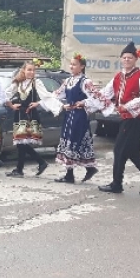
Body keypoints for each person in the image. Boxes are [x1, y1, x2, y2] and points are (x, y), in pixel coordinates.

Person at [94, 42, 140, 195]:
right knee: (132, 152)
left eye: (129, 58)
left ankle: (117, 184)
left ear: (135, 59)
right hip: (126, 119)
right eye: (124, 58)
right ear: (120, 59)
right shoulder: (119, 77)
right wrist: (90, 99)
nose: (126, 60)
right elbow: (106, 94)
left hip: (135, 118)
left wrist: (128, 106)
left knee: (120, 149)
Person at [48, 53, 100, 183]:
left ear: (82, 67)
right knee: (70, 141)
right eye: (70, 64)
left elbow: (96, 98)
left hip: (79, 116)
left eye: (74, 64)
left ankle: (75, 173)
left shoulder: (85, 82)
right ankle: (78, 172)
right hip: (69, 115)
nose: (71, 66)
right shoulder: (68, 81)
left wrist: (84, 103)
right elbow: (57, 94)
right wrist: (47, 98)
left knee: (75, 141)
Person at [4, 60, 54, 177]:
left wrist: (38, 103)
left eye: (33, 70)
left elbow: (47, 96)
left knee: (22, 143)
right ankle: (38, 163)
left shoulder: (37, 83)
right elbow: (6, 94)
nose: (31, 72)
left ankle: (23, 168)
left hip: (30, 115)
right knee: (21, 143)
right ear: (24, 70)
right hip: (20, 114)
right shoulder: (18, 83)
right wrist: (11, 104)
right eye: (29, 70)